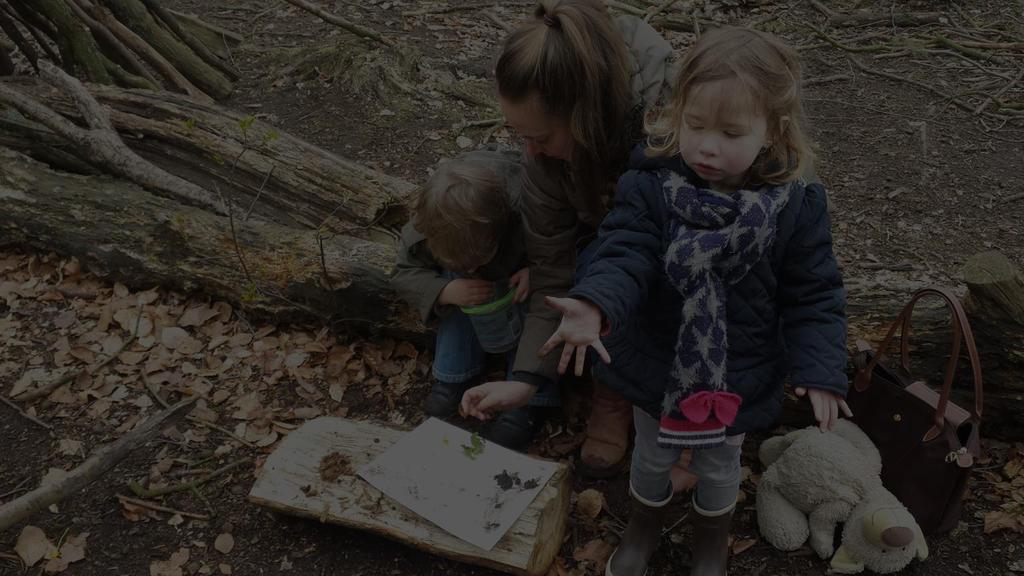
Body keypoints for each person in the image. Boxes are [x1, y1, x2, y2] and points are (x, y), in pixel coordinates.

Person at [463, 27, 851, 576]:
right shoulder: (652, 182)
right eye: (694, 125)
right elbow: (624, 249)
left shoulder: (797, 203)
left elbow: (814, 290)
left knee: (720, 463)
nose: (707, 146)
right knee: (651, 453)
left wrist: (821, 367)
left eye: (730, 131)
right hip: (656, 354)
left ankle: (710, 542)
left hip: (739, 367)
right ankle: (642, 530)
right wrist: (595, 304)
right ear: (676, 113)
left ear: (772, 130)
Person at [483, 0, 679, 474]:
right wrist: (526, 378)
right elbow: (552, 266)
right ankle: (610, 396)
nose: (529, 150)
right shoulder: (546, 155)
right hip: (612, 251)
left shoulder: (671, 118)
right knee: (598, 266)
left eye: (540, 136)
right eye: (519, 135)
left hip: (692, 242)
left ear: (585, 114)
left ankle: (675, 411)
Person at [391, 151, 536, 448]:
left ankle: (529, 398)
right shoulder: (426, 228)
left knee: (542, 306)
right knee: (452, 286)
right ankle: (454, 375)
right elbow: (404, 274)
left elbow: (565, 245)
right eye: (460, 261)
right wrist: (444, 292)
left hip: (520, 280)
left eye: (478, 258)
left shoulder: (527, 206)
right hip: (468, 297)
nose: (471, 268)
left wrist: (538, 271)